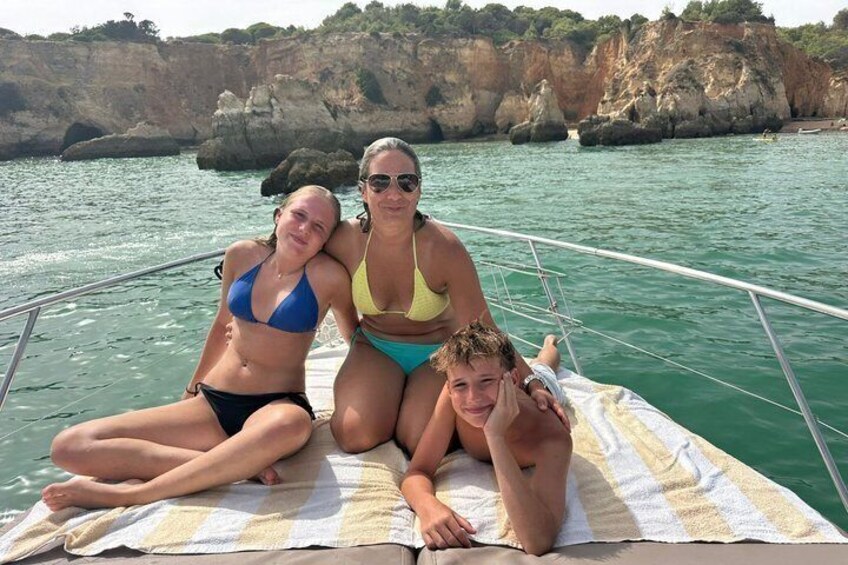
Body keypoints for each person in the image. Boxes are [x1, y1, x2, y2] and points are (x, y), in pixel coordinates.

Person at [41, 185, 358, 511]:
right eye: (299, 215)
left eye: (318, 227)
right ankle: (236, 464)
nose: (304, 229)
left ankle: (130, 495)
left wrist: (358, 403)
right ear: (279, 215)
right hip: (212, 403)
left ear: (325, 240)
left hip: (276, 405)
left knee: (292, 426)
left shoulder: (330, 277)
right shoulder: (241, 255)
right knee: (69, 446)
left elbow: (356, 344)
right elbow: (222, 324)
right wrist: (192, 389)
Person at [325, 137, 566, 456]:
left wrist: (532, 382)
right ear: (363, 190)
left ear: (419, 190)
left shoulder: (443, 248)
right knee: (353, 435)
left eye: (406, 182)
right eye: (380, 182)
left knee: (417, 440)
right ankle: (392, 396)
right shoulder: (343, 240)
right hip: (375, 347)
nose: (394, 194)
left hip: (437, 354)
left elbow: (484, 328)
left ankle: (547, 358)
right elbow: (291, 258)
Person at [401, 322, 573, 556]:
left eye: (486, 381)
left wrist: (495, 436)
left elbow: (538, 541)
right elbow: (417, 472)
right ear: (450, 387)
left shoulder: (551, 436)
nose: (473, 397)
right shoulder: (453, 396)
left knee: (545, 369)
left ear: (513, 379)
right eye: (460, 385)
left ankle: (549, 345)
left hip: (539, 393)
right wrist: (427, 506)